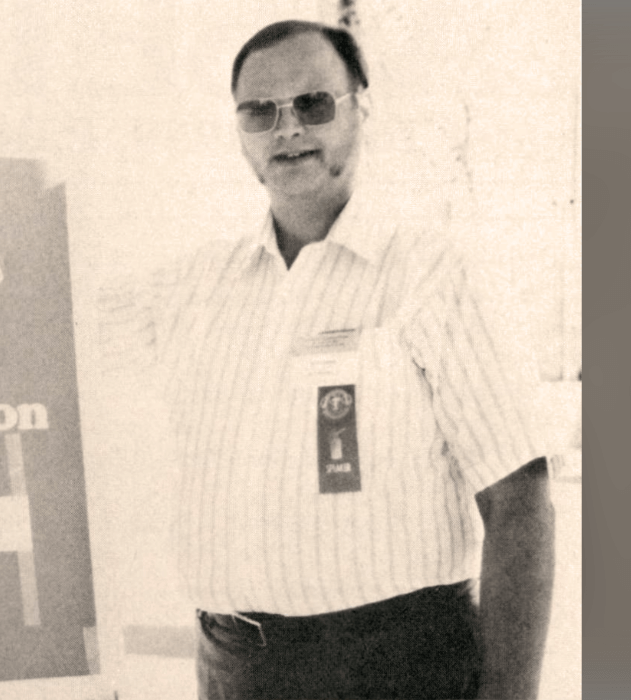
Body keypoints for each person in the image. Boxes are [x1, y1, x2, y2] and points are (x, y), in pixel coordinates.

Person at [99, 20, 554, 699]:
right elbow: (47, 314)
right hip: (234, 670)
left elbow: (519, 503)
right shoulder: (190, 288)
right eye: (261, 112)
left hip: (398, 669)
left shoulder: (427, 274)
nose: (288, 130)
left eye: (314, 103)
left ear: (360, 109)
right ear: (240, 130)